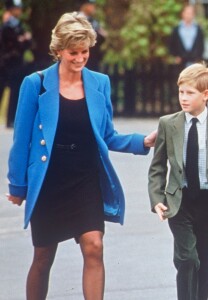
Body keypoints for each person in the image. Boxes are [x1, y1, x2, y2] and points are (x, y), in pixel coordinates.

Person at [6, 12, 156, 300]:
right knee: (43, 256)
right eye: (73, 52)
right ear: (58, 50)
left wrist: (142, 141)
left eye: (84, 51)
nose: (79, 58)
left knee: (94, 245)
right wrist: (18, 185)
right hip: (49, 179)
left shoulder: (100, 83)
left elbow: (107, 135)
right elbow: (21, 139)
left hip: (85, 176)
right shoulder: (34, 84)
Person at [148, 63, 208, 300]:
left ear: (206, 95)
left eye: (190, 93)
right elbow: (157, 168)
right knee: (187, 259)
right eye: (181, 91)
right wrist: (157, 199)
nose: (183, 98)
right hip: (179, 202)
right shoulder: (168, 124)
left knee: (207, 263)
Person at [1, 0, 32, 128]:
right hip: (5, 62)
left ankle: (11, 120)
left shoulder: (17, 24)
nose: (19, 11)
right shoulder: (8, 25)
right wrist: (22, 39)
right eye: (16, 8)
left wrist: (23, 40)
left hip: (15, 63)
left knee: (15, 91)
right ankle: (10, 120)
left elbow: (27, 43)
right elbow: (12, 41)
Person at [169, 4, 205, 69]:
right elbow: (171, 44)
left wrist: (198, 58)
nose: (188, 15)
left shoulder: (198, 29)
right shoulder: (176, 29)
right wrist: (176, 56)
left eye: (190, 13)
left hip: (194, 62)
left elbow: (201, 45)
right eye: (187, 13)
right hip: (180, 63)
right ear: (183, 14)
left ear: (193, 15)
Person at [79, 0, 107, 71]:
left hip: (94, 57)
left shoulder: (94, 21)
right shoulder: (77, 19)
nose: (94, 7)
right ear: (84, 5)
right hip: (81, 56)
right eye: (91, 5)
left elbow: (104, 34)